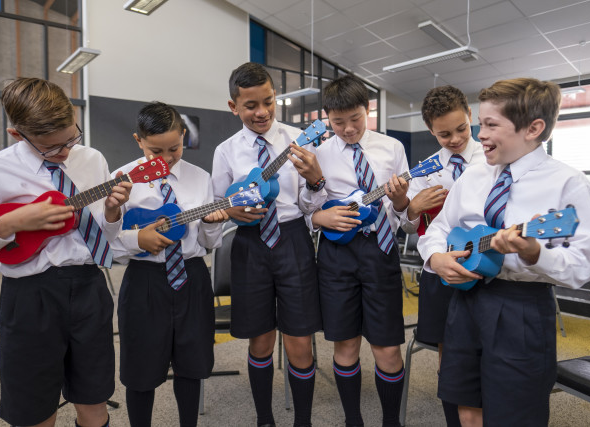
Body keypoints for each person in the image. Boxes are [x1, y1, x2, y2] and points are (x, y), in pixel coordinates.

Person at [418, 77, 590, 426]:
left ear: (533, 128)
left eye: (491, 125)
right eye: (480, 123)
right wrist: (436, 257)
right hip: (464, 302)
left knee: (515, 414)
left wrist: (535, 254)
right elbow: (439, 229)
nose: (480, 135)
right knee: (465, 409)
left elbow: (584, 267)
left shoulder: (568, 182)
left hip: (521, 308)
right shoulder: (473, 177)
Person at [0, 77, 132, 427]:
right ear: (17, 134)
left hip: (89, 287)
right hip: (30, 296)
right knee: (34, 410)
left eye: (71, 138)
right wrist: (11, 223)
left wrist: (112, 212)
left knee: (95, 399)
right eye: (50, 148)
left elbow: (104, 236)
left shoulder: (92, 160)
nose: (65, 152)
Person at [211, 62, 324, 427]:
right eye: (250, 105)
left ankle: (303, 421)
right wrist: (230, 211)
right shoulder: (226, 151)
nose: (261, 112)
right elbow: (218, 204)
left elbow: (310, 206)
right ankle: (265, 419)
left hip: (293, 240)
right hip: (250, 244)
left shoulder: (299, 138)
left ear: (276, 98)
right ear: (233, 107)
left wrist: (315, 181)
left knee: (299, 342)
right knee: (259, 341)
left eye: (268, 102)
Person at [301, 74, 409, 427]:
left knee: (387, 347)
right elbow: (306, 208)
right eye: (338, 122)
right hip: (337, 256)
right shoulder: (318, 153)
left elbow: (404, 212)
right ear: (326, 118)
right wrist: (320, 216)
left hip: (380, 249)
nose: (348, 129)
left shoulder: (392, 148)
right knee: (345, 345)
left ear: (368, 110)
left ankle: (391, 421)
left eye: (355, 119)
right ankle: (353, 420)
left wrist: (400, 200)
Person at [111, 101, 227, 427]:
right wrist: (137, 240)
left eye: (174, 148)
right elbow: (108, 241)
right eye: (155, 151)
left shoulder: (200, 178)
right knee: (140, 370)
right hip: (144, 279)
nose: (166, 158)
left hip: (192, 276)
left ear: (184, 136)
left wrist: (212, 224)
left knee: (192, 365)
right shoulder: (122, 179)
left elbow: (209, 243)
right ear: (138, 141)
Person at [400, 85, 485, 426]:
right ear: (430, 130)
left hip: (483, 264)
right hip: (439, 271)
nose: (455, 139)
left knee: (487, 348)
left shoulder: (492, 156)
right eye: (444, 134)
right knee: (447, 353)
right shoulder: (426, 169)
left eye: (461, 128)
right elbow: (409, 227)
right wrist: (412, 209)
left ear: (470, 114)